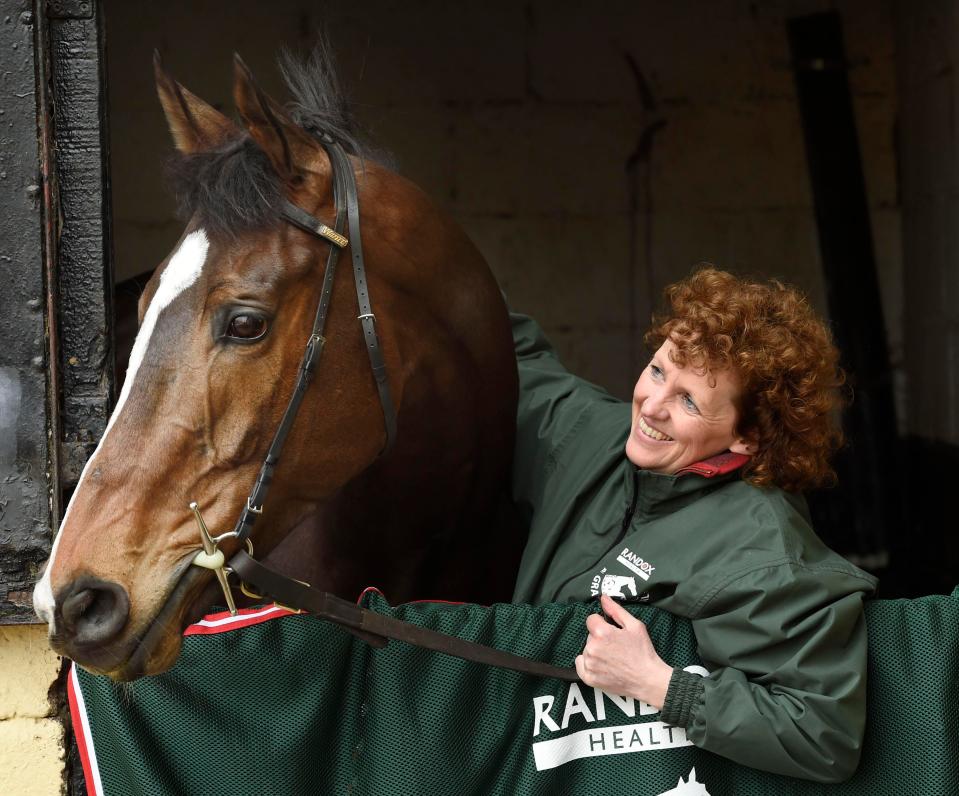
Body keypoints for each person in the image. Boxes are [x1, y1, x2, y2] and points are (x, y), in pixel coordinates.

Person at [510, 266, 878, 783]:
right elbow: (513, 357)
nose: (652, 407)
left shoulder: (762, 546)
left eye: (689, 401)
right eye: (658, 371)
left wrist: (662, 685)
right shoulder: (589, 436)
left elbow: (824, 732)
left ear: (746, 436)